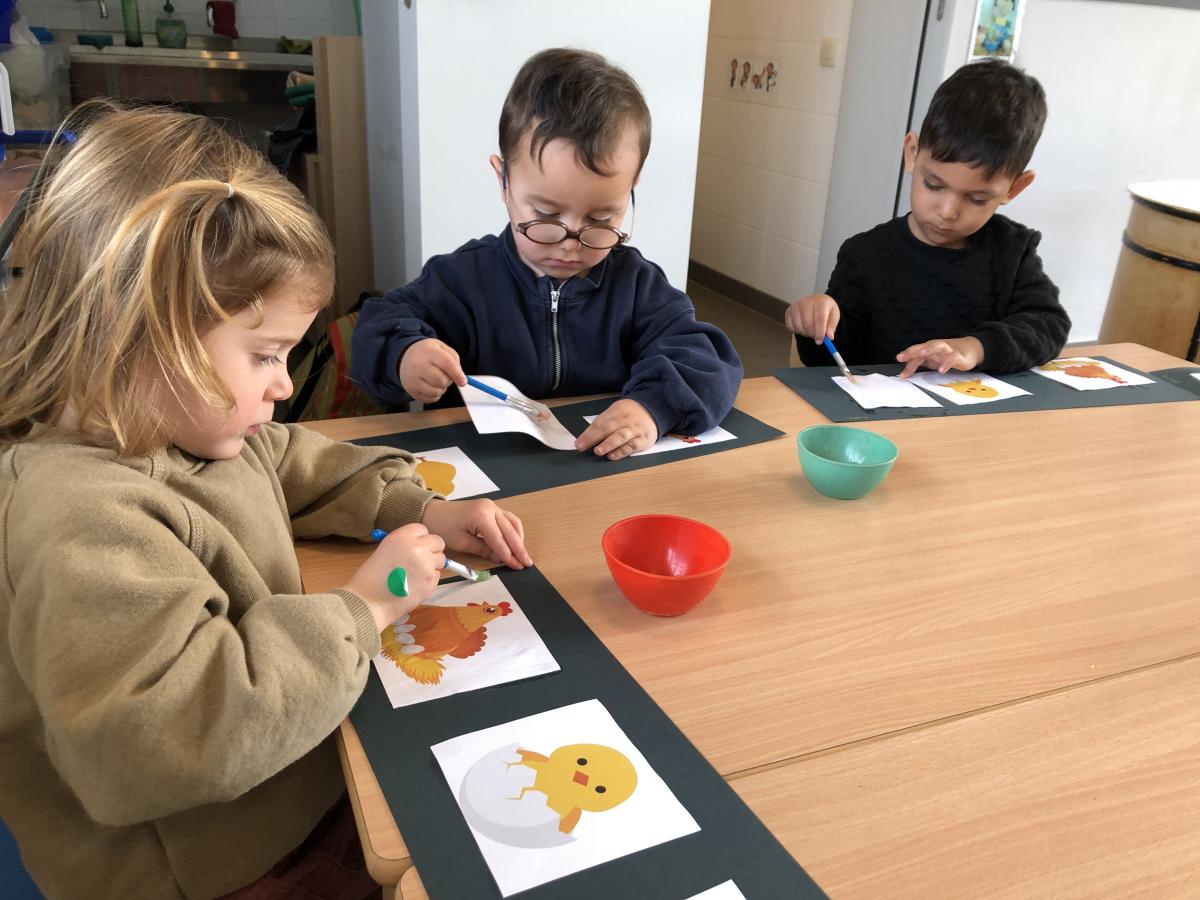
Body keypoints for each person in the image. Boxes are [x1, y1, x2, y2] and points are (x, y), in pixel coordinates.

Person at [0, 100, 531, 900]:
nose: (285, 385)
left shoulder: (177, 419)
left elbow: (287, 459)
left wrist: (419, 508)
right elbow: (166, 739)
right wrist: (368, 604)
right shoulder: (80, 519)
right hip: (218, 868)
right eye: (265, 355)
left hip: (284, 778)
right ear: (141, 332)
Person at [352, 48, 742, 460]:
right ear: (503, 181)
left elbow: (707, 362)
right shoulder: (460, 280)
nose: (569, 242)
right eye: (545, 214)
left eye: (601, 217)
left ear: (631, 189)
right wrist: (405, 355)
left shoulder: (637, 286)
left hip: (598, 472)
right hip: (485, 475)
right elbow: (376, 328)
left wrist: (652, 407)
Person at [786, 59, 1070, 377]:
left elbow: (1048, 326)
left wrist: (975, 347)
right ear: (912, 153)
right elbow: (828, 362)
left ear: (1014, 188)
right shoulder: (865, 255)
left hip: (978, 405)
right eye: (934, 185)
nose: (947, 212)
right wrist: (814, 325)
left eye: (977, 199)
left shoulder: (1013, 251)